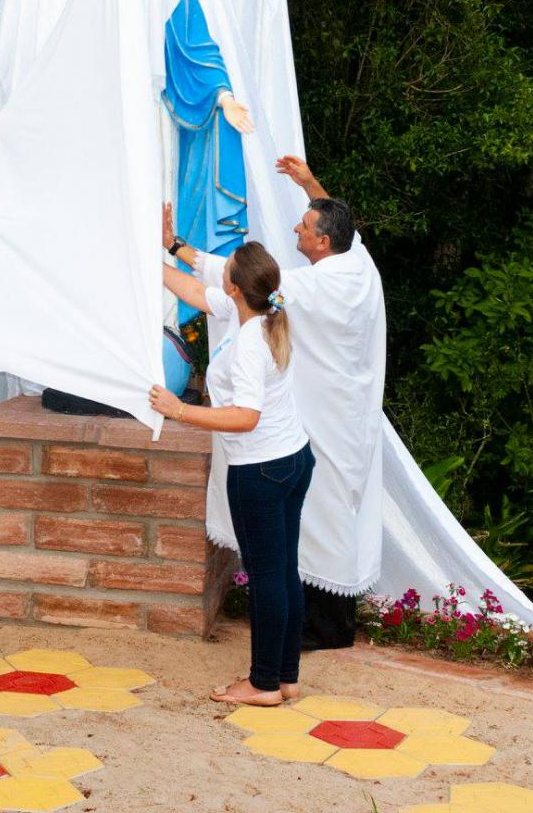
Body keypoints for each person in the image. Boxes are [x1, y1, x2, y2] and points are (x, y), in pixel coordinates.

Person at [166, 156, 385, 651]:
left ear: (322, 243)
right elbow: (333, 224)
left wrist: (175, 247)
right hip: (342, 412)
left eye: (305, 226)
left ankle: (321, 630)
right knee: (317, 524)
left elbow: (240, 277)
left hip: (326, 416)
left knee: (316, 527)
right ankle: (311, 630)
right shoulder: (355, 260)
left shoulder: (316, 283)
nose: (297, 228)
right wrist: (310, 183)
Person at [149, 241, 312, 706]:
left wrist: (180, 410)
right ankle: (286, 678)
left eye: (228, 270)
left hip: (261, 470)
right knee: (283, 571)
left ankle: (262, 684)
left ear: (236, 287)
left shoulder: (248, 344)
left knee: (266, 577)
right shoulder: (261, 313)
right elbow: (197, 293)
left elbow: (245, 416)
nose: (221, 274)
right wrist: (153, 256)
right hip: (292, 459)